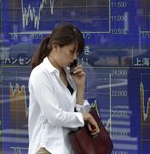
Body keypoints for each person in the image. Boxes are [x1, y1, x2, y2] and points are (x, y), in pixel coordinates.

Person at [28, 22, 100, 154]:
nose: (74, 58)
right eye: (71, 52)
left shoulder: (68, 74)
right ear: (55, 47)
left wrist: (80, 87)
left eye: (77, 53)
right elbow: (54, 116)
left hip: (69, 148)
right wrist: (85, 116)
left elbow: (75, 114)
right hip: (48, 149)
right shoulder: (41, 74)